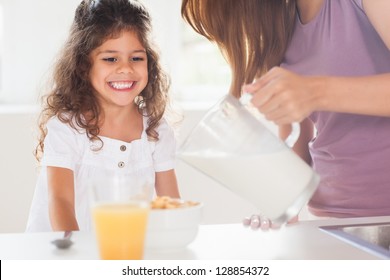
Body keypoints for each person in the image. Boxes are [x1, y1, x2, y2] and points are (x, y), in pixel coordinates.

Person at [181, 0, 390, 228]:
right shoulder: (283, 29)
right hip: (332, 217)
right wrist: (281, 202)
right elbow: (296, 142)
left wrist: (314, 91)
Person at [26, 0, 180, 232]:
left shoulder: (156, 130)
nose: (126, 68)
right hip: (63, 254)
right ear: (83, 66)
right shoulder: (67, 128)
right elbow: (61, 202)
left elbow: (172, 205)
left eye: (136, 58)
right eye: (110, 59)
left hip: (122, 253)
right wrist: (79, 257)